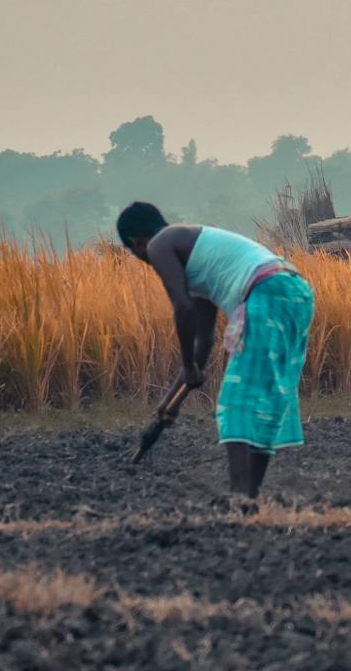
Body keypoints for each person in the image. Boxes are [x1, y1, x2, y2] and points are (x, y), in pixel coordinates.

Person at [116, 202, 314, 498]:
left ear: (137, 243)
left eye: (136, 255)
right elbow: (203, 340)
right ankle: (248, 498)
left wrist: (186, 366)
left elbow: (181, 307)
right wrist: (170, 401)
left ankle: (238, 496)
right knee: (264, 399)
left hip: (265, 292)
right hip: (294, 292)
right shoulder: (196, 260)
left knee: (236, 400)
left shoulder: (160, 244)